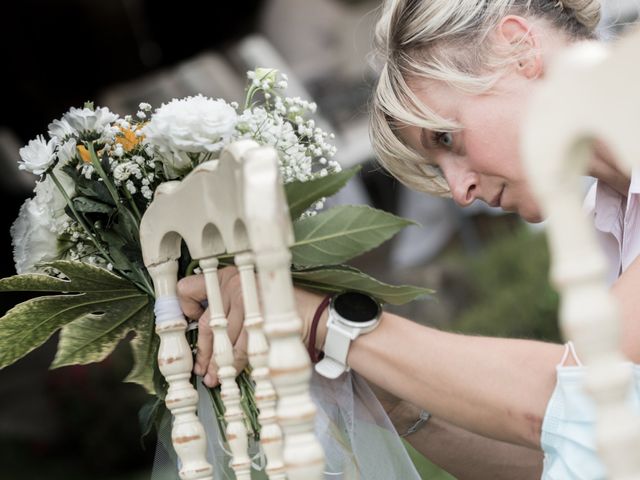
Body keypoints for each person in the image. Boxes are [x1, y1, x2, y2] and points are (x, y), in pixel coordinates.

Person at [177, 1, 640, 478]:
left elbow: (580, 400)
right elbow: (588, 444)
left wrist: (328, 322)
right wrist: (396, 398)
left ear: (518, 47)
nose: (461, 192)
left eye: (444, 139)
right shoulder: (608, 219)